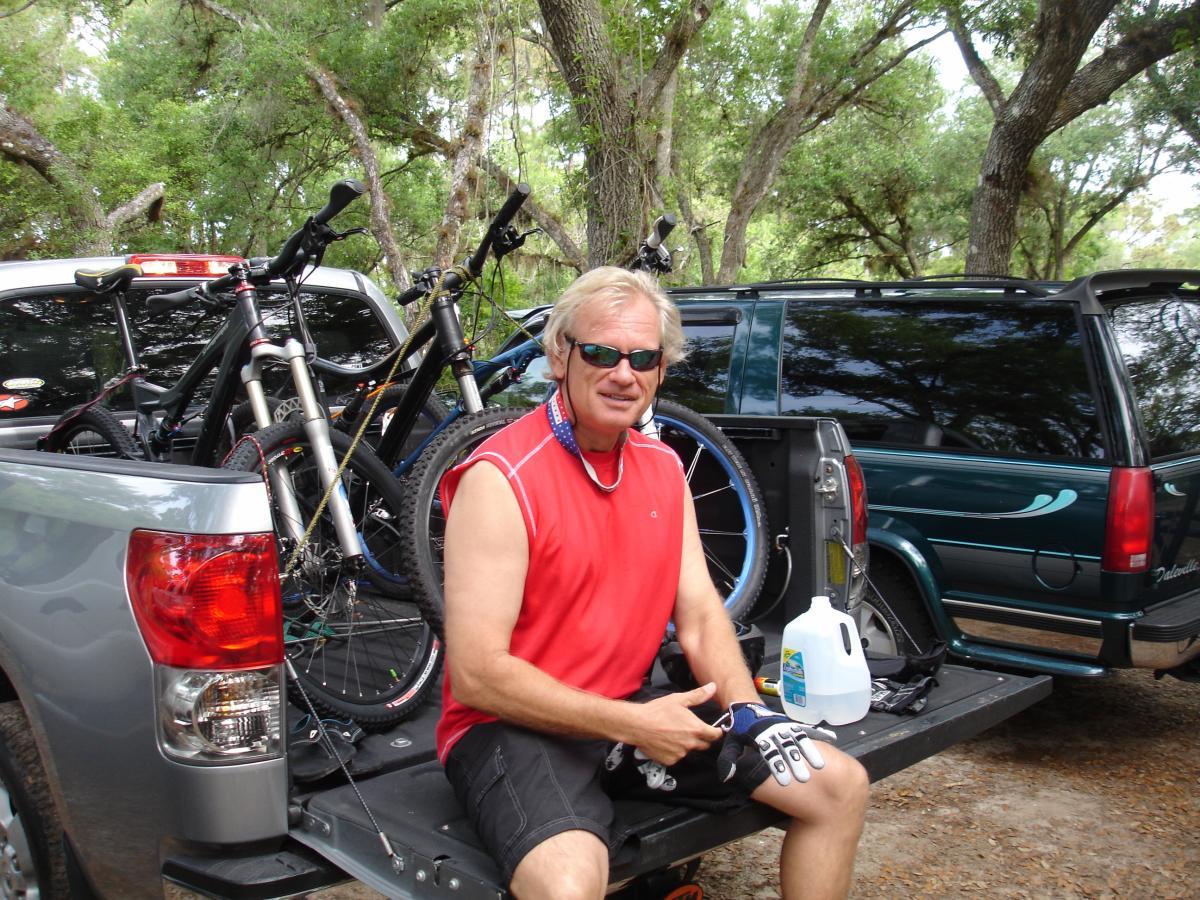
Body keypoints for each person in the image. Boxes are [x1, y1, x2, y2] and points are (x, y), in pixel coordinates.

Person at [437, 266, 869, 900]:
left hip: (631, 709)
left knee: (840, 788)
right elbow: (478, 675)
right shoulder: (500, 479)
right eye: (602, 352)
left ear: (661, 369)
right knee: (567, 885)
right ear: (560, 354)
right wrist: (633, 725)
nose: (623, 373)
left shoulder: (663, 468)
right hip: (511, 726)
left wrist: (749, 710)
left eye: (643, 357)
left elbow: (698, 614)